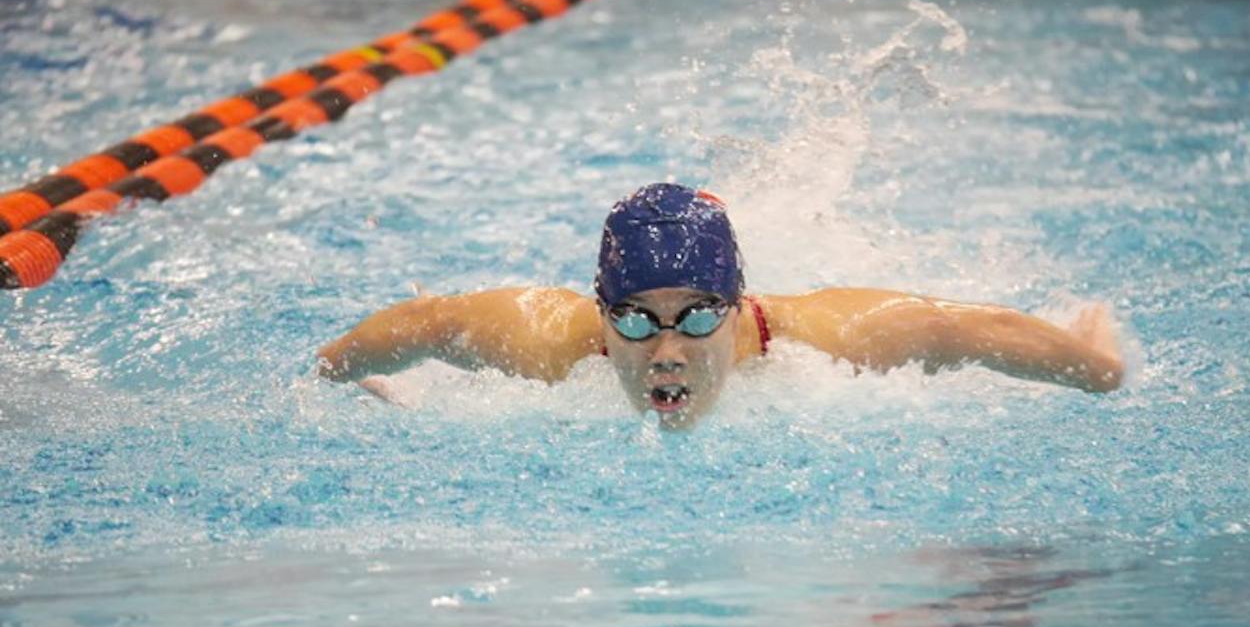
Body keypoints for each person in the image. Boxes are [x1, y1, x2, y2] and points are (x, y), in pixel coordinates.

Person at [316, 183, 1125, 428]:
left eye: (699, 316)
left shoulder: (827, 343)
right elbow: (430, 323)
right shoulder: (547, 341)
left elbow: (968, 328)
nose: (667, 351)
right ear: (601, 313)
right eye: (635, 319)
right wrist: (340, 377)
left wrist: (1098, 366)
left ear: (739, 310)